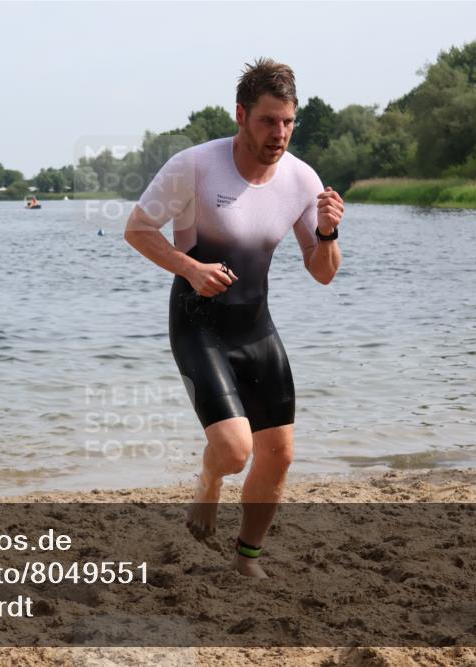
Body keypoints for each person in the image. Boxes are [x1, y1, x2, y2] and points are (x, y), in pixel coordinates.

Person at [123, 58, 344, 577]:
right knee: (233, 449)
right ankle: (208, 479)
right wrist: (191, 268)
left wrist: (330, 233)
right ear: (241, 115)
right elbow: (137, 229)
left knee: (280, 454)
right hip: (198, 321)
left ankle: (247, 558)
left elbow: (323, 272)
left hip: (255, 325)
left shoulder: (300, 179)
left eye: (288, 122)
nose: (280, 133)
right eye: (269, 121)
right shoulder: (195, 166)